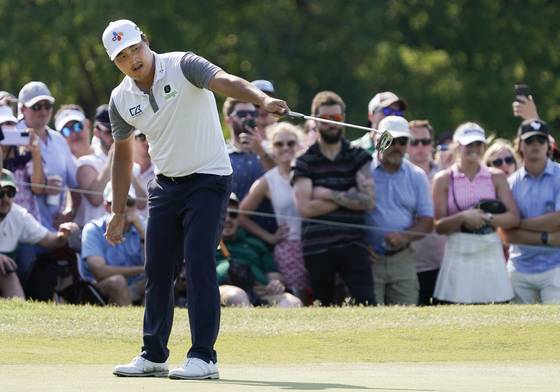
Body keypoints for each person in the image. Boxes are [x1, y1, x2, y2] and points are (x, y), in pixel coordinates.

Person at [102, 19, 288, 380]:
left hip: (209, 179)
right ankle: (153, 353)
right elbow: (122, 156)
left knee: (200, 261)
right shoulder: (120, 99)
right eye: (122, 57)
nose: (133, 60)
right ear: (116, 63)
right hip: (165, 186)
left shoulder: (182, 64)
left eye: (135, 49)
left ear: (146, 40)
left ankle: (204, 357)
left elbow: (226, 81)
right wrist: (118, 210)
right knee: (157, 269)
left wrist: (262, 99)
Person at [293, 90, 375, 306]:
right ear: (315, 121)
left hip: (353, 243)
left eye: (336, 119)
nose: (331, 124)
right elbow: (305, 208)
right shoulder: (304, 161)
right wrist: (348, 196)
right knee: (323, 307)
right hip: (317, 246)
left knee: (367, 303)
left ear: (344, 119)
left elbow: (368, 201)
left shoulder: (358, 156)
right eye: (325, 119)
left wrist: (326, 193)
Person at [432, 122, 519, 304]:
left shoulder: (496, 176)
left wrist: (488, 218)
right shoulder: (444, 179)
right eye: (468, 144)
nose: (474, 149)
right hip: (458, 249)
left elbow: (513, 217)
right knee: (457, 311)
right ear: (457, 147)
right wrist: (463, 217)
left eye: (478, 144)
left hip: (489, 248)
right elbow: (438, 226)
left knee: (495, 309)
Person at [238, 122, 309, 301]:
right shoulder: (268, 180)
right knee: (297, 298)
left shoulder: (310, 172)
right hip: (290, 247)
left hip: (317, 241)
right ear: (272, 148)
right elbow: (241, 215)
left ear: (299, 146)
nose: (285, 148)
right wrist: (269, 237)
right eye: (279, 144)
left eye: (291, 143)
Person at [367, 116, 434, 306]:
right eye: (390, 140)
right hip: (368, 258)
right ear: (377, 140)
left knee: (406, 321)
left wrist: (404, 237)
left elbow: (427, 221)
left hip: (402, 259)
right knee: (368, 320)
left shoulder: (417, 176)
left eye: (402, 141)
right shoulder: (363, 170)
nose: (396, 146)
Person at [502, 119, 560, 303]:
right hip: (519, 268)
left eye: (540, 140)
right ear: (520, 145)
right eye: (530, 141)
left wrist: (518, 223)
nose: (536, 145)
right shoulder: (510, 183)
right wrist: (547, 238)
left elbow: (558, 220)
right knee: (520, 330)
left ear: (548, 145)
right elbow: (506, 233)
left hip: (555, 266)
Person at [0, 169, 78, 298]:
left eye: (10, 193)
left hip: (5, 273)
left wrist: (63, 236)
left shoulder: (19, 215)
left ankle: (18, 313)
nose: (5, 199)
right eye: (0, 194)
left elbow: (48, 240)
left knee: (8, 271)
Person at [217, 193, 302, 308]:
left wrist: (275, 284)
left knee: (292, 302)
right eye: (222, 214)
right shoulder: (203, 244)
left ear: (239, 218)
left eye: (233, 214)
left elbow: (274, 276)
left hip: (261, 293)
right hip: (222, 289)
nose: (228, 219)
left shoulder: (255, 244)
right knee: (237, 296)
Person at [17, 81, 78, 231]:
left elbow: (76, 186)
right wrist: (42, 186)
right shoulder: (11, 136)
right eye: (36, 107)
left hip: (54, 231)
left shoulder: (59, 140)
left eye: (47, 106)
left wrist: (69, 212)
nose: (43, 111)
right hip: (21, 230)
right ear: (22, 109)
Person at [80, 182, 145, 306]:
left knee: (160, 279)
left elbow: (159, 261)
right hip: (104, 287)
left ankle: (152, 323)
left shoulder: (143, 225)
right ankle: (131, 322)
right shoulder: (93, 229)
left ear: (135, 205)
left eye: (129, 202)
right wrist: (142, 269)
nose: (124, 208)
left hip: (137, 284)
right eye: (117, 203)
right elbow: (100, 272)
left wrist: (142, 232)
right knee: (118, 282)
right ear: (106, 206)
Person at [407, 119, 446, 305]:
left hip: (443, 264)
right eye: (414, 142)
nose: (420, 147)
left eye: (425, 141)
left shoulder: (446, 175)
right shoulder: (400, 174)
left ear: (432, 144)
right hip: (411, 266)